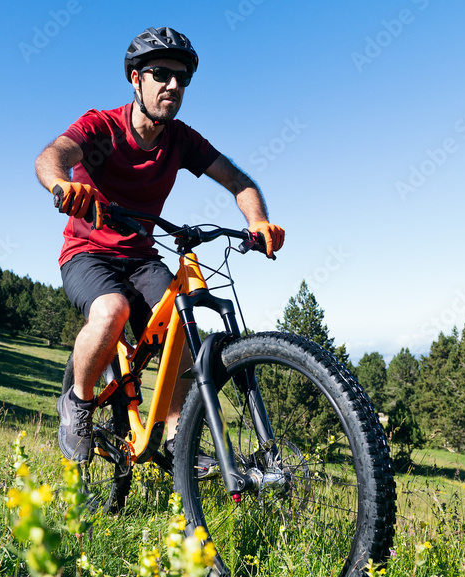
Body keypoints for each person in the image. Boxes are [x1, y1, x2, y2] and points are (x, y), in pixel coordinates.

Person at [34, 26, 285, 462]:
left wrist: (259, 220)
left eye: (182, 78)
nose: (173, 85)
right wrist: (61, 184)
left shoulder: (180, 139)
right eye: (161, 74)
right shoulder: (101, 126)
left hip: (142, 257)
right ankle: (78, 401)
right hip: (87, 253)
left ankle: (176, 440)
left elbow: (238, 180)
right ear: (136, 79)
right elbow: (51, 156)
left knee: (181, 330)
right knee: (112, 310)